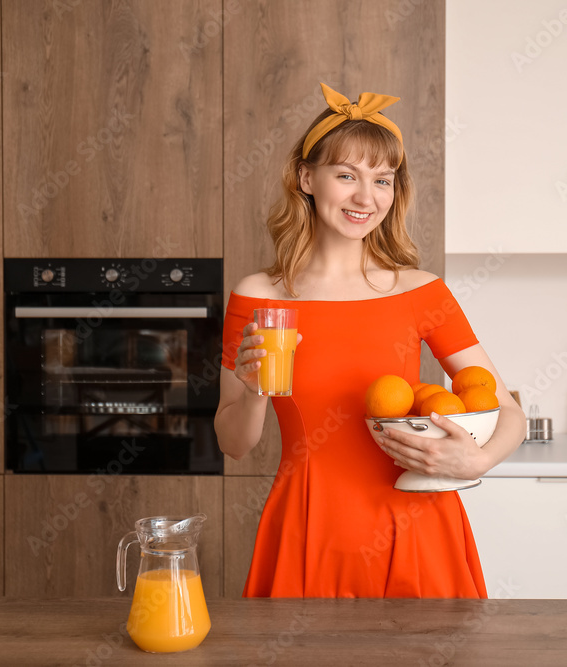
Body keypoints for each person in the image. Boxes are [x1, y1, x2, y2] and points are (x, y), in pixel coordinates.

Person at [215, 83, 526, 598]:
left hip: (418, 523)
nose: (366, 197)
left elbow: (508, 412)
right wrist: (252, 391)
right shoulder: (259, 298)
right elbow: (234, 444)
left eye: (382, 180)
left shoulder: (420, 291)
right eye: (346, 175)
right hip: (309, 524)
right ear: (305, 177)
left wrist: (477, 461)